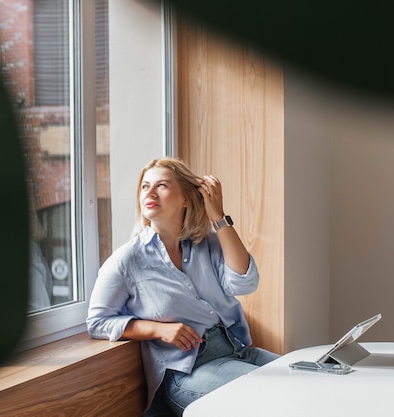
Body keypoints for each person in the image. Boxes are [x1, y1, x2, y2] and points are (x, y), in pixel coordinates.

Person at [86, 157, 279, 416]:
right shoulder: (127, 260)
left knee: (315, 380)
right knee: (277, 398)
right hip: (189, 372)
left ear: (186, 199)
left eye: (161, 185)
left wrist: (218, 218)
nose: (150, 193)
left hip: (238, 353)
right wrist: (157, 330)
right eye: (145, 186)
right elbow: (98, 322)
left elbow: (244, 283)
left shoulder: (207, 244)